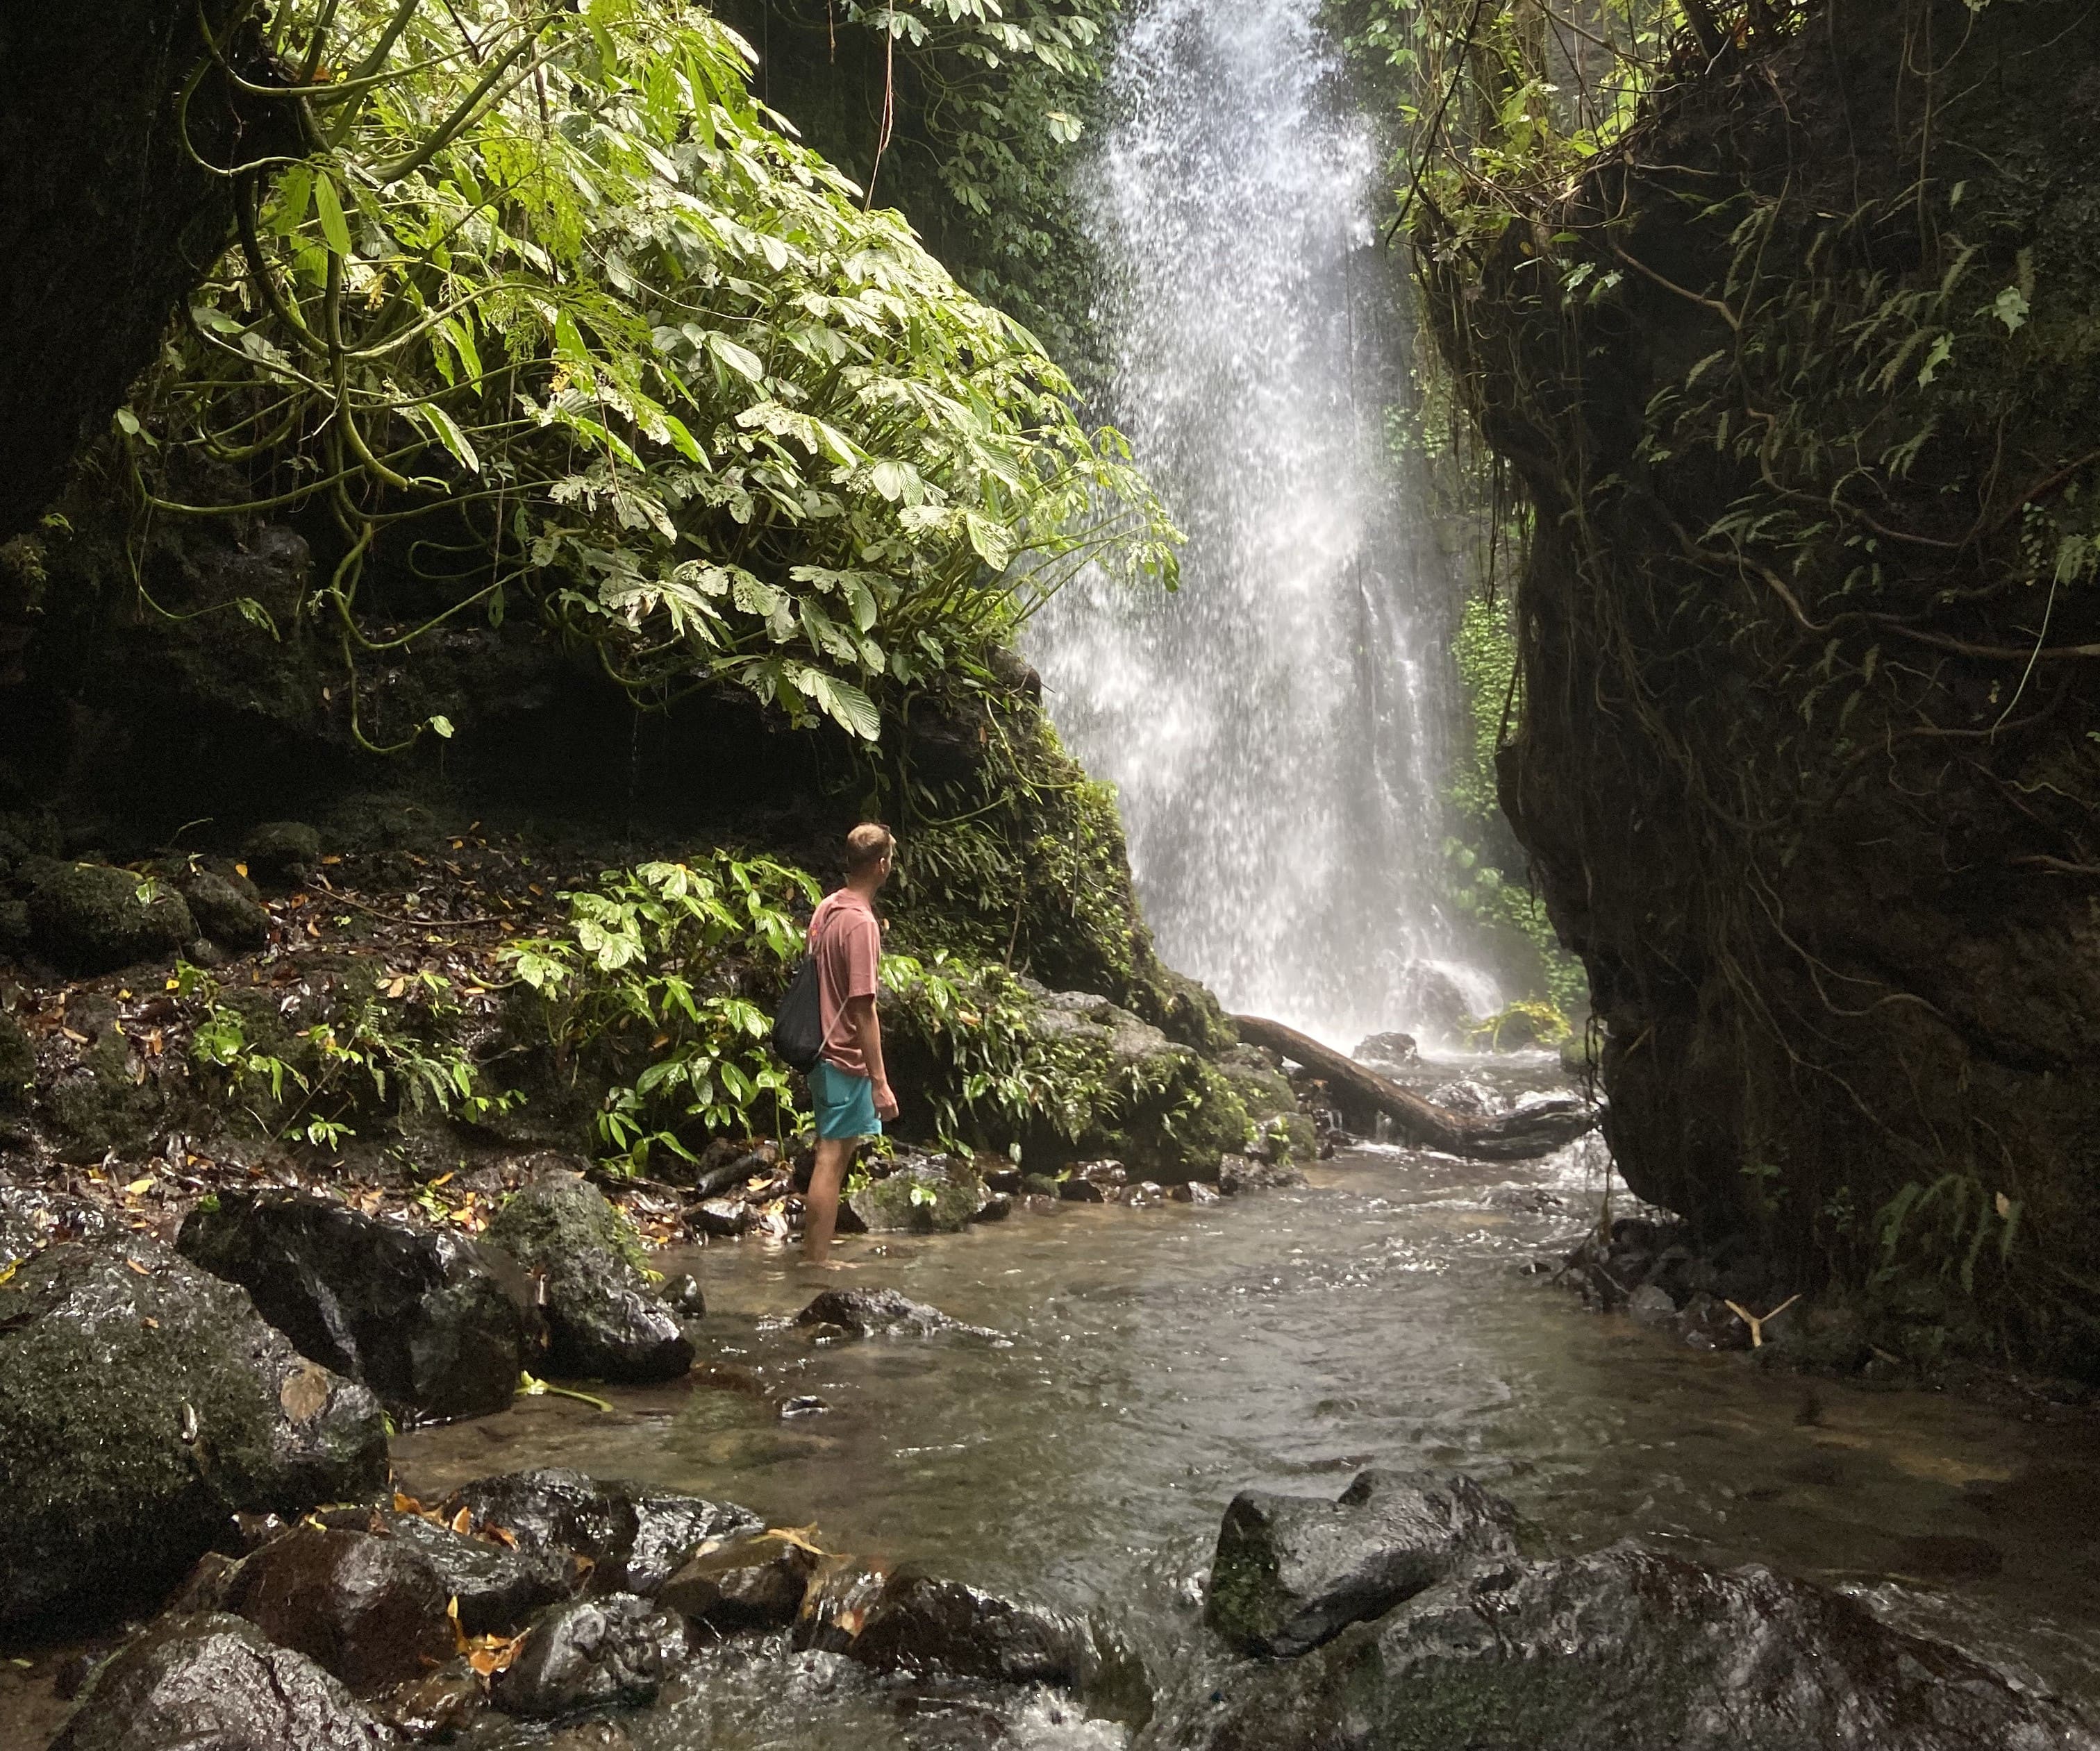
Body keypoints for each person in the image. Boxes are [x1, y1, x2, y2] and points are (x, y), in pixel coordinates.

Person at [803, 822, 899, 1262]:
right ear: (881, 865)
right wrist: (879, 1081)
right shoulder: (861, 924)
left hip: (819, 1048)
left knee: (833, 1153)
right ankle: (816, 1266)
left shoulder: (826, 909)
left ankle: (817, 1254)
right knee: (832, 1157)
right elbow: (864, 1008)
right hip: (843, 1056)